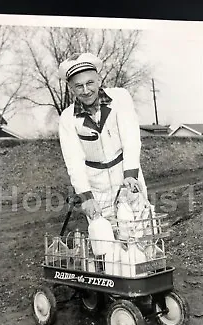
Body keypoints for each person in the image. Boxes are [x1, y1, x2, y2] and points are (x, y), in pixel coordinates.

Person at [58, 53, 147, 221]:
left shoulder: (120, 98)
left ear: (99, 80)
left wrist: (130, 174)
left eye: (90, 83)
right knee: (104, 237)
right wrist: (86, 196)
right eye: (79, 86)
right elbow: (73, 160)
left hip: (125, 175)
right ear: (71, 89)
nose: (86, 91)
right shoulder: (67, 118)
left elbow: (131, 139)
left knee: (140, 230)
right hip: (96, 186)